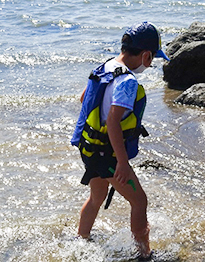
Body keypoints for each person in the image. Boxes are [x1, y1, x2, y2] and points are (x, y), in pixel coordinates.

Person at [70, 21, 169, 260]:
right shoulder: (128, 82)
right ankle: (144, 254)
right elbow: (113, 123)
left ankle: (80, 241)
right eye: (153, 57)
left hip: (90, 148)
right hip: (108, 155)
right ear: (145, 55)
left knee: (96, 197)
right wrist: (122, 162)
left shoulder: (105, 67)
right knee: (140, 201)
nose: (152, 62)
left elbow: (84, 97)